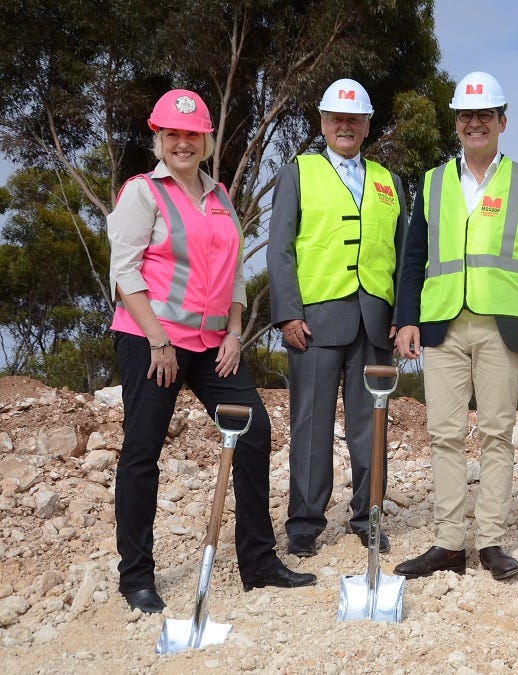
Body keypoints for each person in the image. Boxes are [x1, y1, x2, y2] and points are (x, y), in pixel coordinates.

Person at [109, 89, 316, 613]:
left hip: (211, 343)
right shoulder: (142, 193)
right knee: (142, 452)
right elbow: (124, 272)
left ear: (206, 141)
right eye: (172, 134)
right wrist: (157, 339)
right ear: (159, 138)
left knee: (254, 432)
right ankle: (136, 577)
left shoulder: (219, 195)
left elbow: (235, 275)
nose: (182, 143)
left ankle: (259, 563)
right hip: (151, 341)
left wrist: (234, 332)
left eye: (192, 135)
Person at [392, 72, 518, 581]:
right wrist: (407, 319)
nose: (475, 123)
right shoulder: (433, 181)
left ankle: (490, 542)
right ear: (456, 123)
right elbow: (413, 257)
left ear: (502, 122)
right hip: (442, 325)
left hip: (501, 326)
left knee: (496, 434)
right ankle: (448, 543)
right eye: (466, 115)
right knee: (443, 434)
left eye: (485, 115)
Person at [267, 78, 407, 557]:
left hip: (375, 322)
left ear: (367, 125)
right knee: (311, 425)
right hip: (314, 322)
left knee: (372, 425)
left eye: (354, 120)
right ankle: (304, 523)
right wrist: (288, 314)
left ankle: (369, 517)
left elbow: (404, 255)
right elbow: (280, 248)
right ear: (323, 123)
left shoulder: (390, 182)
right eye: (336, 119)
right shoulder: (298, 173)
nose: (345, 126)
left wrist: (401, 315)